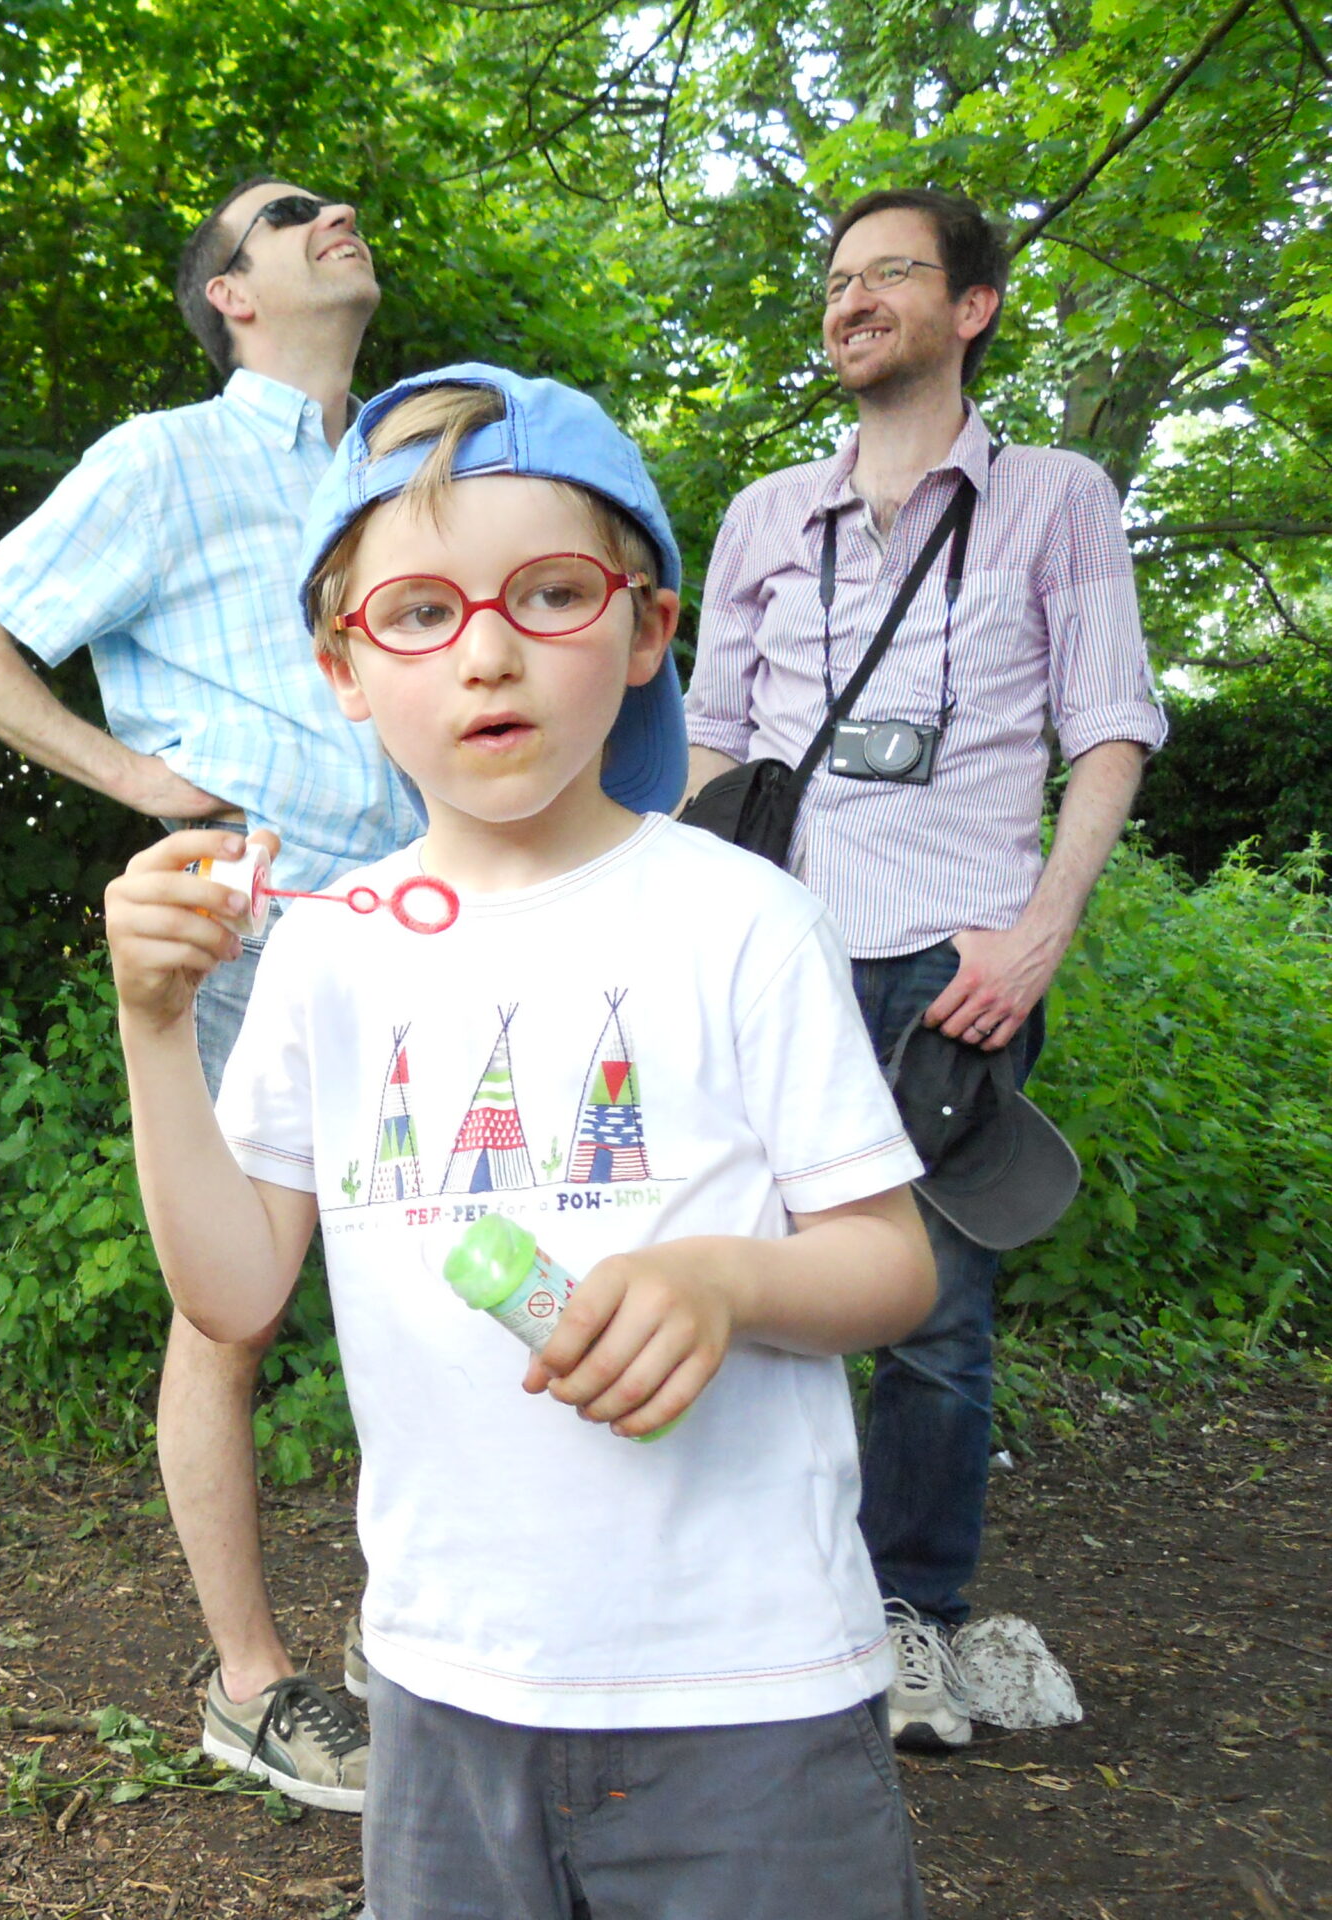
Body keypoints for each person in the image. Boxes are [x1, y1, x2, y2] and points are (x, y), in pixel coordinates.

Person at [106, 362, 941, 1920]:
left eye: (548, 595)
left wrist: (725, 1284)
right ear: (343, 667)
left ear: (643, 633)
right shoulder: (334, 945)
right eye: (417, 612)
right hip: (445, 1685)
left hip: (746, 1689)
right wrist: (154, 1026)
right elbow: (230, 1295)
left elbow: (890, 1263)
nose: (485, 652)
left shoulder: (741, 920)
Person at [0, 174, 421, 1808]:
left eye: (341, 205)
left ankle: (415, 1640)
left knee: (434, 1285)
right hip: (246, 938)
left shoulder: (421, 458)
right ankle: (254, 1680)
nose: (336, 216)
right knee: (236, 1304)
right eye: (292, 217)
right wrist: (148, 786)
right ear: (231, 293)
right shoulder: (163, 458)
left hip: (431, 935)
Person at [684, 188, 1168, 1750]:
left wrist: (1039, 934)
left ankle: (909, 1615)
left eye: (888, 273)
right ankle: (760, 1595)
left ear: (973, 309)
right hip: (771, 953)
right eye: (835, 279)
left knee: (938, 1310)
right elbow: (714, 735)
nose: (849, 300)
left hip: (956, 962)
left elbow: (1109, 726)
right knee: (747, 1272)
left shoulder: (1057, 499)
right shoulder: (767, 512)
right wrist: (680, 917)